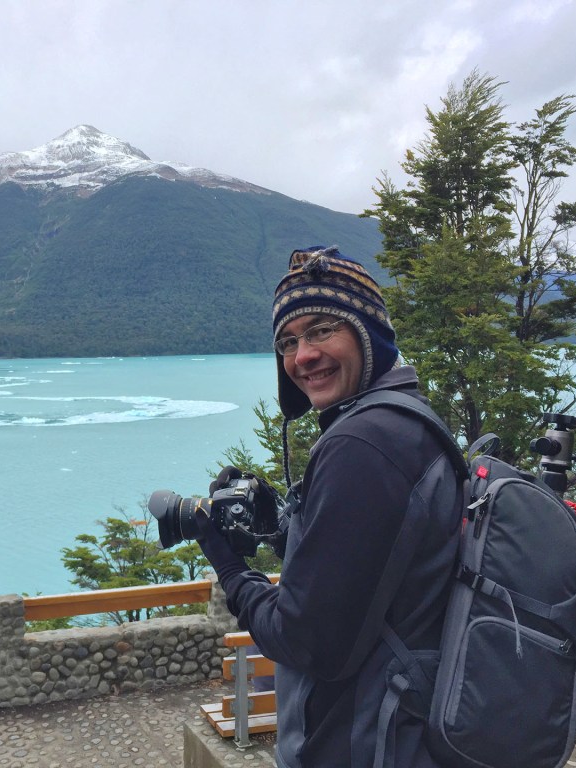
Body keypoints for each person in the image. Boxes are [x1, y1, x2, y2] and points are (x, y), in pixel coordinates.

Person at [197, 245, 463, 767]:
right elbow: (379, 574)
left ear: (370, 334)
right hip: (408, 733)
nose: (302, 357)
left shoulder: (363, 444)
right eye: (288, 342)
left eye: (322, 330)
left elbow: (305, 641)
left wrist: (229, 565)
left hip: (364, 744)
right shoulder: (407, 423)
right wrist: (283, 528)